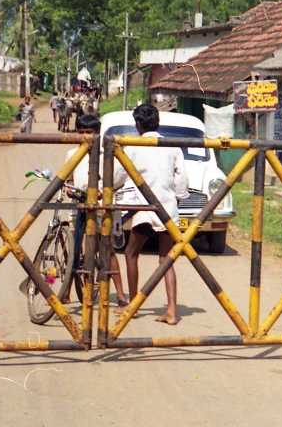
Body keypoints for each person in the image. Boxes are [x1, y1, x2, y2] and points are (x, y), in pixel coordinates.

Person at [111, 103, 189, 324]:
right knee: (167, 260)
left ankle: (134, 305)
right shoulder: (171, 146)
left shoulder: (132, 146)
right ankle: (172, 310)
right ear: (158, 122)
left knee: (130, 253)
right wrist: (178, 195)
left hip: (145, 208)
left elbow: (118, 177)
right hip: (168, 209)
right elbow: (182, 181)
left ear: (137, 125)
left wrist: (110, 189)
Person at [65, 114, 127, 306]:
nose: (86, 137)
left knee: (106, 250)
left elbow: (120, 176)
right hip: (80, 204)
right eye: (81, 132)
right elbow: (67, 177)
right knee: (75, 249)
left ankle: (120, 293)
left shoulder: (105, 154)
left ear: (97, 133)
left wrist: (103, 191)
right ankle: (66, 291)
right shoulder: (71, 154)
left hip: (101, 206)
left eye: (89, 133)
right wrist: (68, 187)